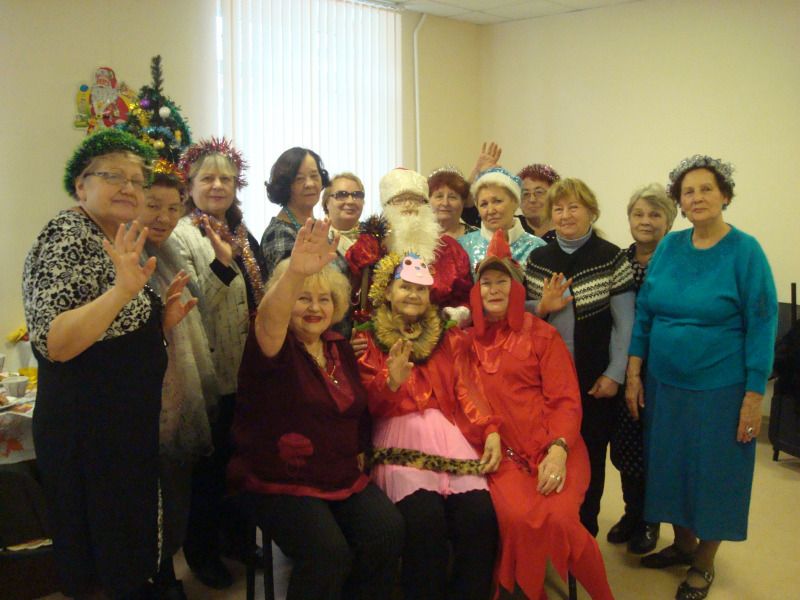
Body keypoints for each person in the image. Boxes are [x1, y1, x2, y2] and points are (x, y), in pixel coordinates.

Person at [22, 129, 195, 599]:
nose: (129, 188)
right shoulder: (67, 236)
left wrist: (159, 322)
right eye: (113, 176)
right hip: (88, 433)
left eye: (137, 181)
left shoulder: (110, 236)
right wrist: (122, 293)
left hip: (120, 429)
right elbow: (56, 342)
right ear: (80, 185)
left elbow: (109, 329)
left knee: (125, 552)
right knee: (101, 561)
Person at [626, 155, 777, 600]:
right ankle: (683, 544)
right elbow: (646, 311)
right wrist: (634, 370)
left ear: (724, 195)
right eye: (688, 191)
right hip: (664, 383)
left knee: (715, 477)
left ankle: (704, 563)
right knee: (670, 469)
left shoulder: (745, 251)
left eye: (706, 188)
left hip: (721, 389)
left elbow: (762, 323)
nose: (697, 198)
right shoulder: (670, 247)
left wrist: (754, 395)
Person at [229, 219, 404, 599]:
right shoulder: (273, 346)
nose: (314, 307)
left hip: (340, 474)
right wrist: (295, 272)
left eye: (324, 299)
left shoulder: (337, 346)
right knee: (328, 554)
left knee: (387, 531)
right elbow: (269, 318)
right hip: (282, 480)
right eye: (303, 298)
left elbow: (356, 410)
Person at [463, 229, 614, 600]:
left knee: (561, 519)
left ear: (517, 289)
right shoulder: (464, 343)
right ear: (476, 292)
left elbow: (566, 400)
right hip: (503, 455)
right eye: (486, 283)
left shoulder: (543, 335)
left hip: (557, 446)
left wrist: (559, 450)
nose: (493, 290)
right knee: (516, 518)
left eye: (502, 282)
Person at [355, 251, 501, 600]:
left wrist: (490, 429)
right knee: (424, 522)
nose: (413, 295)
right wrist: (390, 382)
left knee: (480, 517)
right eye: (405, 287)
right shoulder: (367, 339)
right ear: (387, 291)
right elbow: (365, 406)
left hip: (448, 437)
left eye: (420, 289)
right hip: (398, 436)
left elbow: (467, 389)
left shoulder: (448, 338)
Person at [171, 137, 266, 589]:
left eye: (225, 178)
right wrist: (223, 266)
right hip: (209, 371)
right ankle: (202, 551)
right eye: (207, 178)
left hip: (246, 371)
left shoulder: (242, 231)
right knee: (207, 474)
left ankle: (238, 541)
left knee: (240, 463)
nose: (217, 186)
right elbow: (193, 304)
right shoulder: (182, 235)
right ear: (189, 186)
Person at [525, 177, 635, 539]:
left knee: (590, 456)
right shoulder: (538, 259)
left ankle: (584, 532)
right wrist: (542, 306)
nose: (565, 215)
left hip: (594, 380)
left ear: (591, 212)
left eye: (574, 207)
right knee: (544, 452)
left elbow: (625, 322)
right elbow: (523, 317)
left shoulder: (611, 257)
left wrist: (615, 373)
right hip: (545, 382)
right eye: (558, 208)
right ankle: (548, 531)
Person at [139, 161, 218, 599]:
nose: (164, 217)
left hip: (180, 389)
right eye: (154, 205)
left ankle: (168, 569)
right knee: (153, 498)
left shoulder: (168, 250)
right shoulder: (128, 255)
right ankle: (158, 577)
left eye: (173, 208)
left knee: (176, 491)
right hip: (148, 396)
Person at [606, 183, 676, 556]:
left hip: (664, 366)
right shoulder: (618, 260)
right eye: (638, 214)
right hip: (624, 364)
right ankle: (632, 513)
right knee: (627, 442)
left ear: (670, 220)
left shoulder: (679, 259)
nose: (645, 221)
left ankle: (652, 520)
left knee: (658, 446)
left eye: (654, 214)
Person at [345, 167, 473, 318]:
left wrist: (457, 314)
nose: (408, 205)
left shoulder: (449, 248)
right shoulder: (372, 246)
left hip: (439, 328)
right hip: (381, 328)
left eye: (416, 199)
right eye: (400, 200)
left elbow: (466, 298)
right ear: (386, 206)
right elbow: (354, 286)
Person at [261, 147, 330, 283]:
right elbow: (292, 286)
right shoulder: (279, 233)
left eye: (314, 176)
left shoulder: (317, 226)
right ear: (285, 186)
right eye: (299, 179)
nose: (309, 184)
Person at [459, 166, 546, 272]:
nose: (491, 211)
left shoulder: (538, 248)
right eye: (484, 204)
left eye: (497, 201)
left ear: (515, 202)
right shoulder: (463, 247)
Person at [321, 171, 366, 255]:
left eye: (357, 195)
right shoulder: (317, 238)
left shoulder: (374, 237)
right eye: (341, 195)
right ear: (327, 202)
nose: (350, 201)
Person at [428, 166, 477, 238]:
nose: (445, 203)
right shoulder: (416, 236)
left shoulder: (478, 237)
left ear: (463, 202)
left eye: (452, 197)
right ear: (428, 200)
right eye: (439, 196)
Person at [517, 163, 561, 241]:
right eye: (526, 194)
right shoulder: (510, 227)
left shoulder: (566, 230)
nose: (532, 199)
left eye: (539, 192)